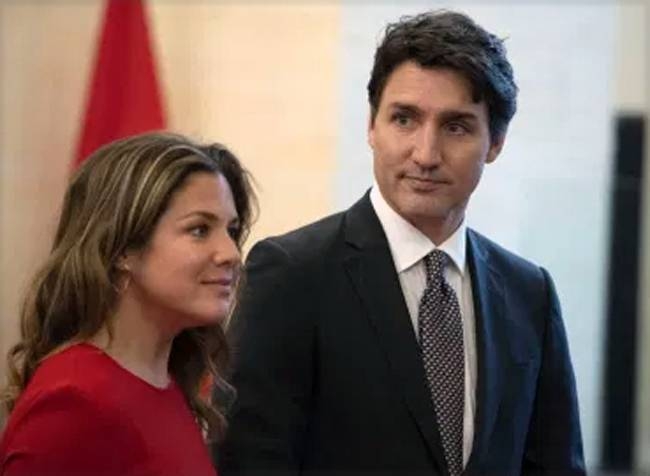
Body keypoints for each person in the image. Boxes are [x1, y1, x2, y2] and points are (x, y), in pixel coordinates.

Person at [217, 10, 585, 476]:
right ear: (372, 126)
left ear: (495, 143)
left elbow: (555, 464)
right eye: (404, 119)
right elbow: (250, 462)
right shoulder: (291, 273)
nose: (426, 154)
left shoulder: (528, 291)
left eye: (456, 127)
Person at [0, 132, 256, 476]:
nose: (231, 254)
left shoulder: (169, 384)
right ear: (122, 248)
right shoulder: (72, 404)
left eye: (231, 229)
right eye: (199, 229)